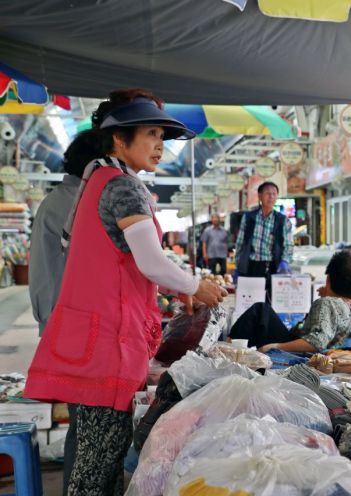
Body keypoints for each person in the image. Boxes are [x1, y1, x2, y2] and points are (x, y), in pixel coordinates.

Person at [23, 89, 227, 495]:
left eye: (161, 137)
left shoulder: (94, 179)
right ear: (120, 138)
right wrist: (195, 286)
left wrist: (175, 287)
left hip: (91, 341)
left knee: (93, 461)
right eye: (151, 134)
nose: (159, 146)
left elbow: (128, 262)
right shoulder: (123, 186)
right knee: (97, 469)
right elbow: (150, 260)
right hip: (107, 347)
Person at [27, 130, 100, 495]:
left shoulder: (62, 198)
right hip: (70, 327)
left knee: (81, 422)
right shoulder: (76, 203)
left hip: (60, 322)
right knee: (86, 426)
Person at [230, 250, 351, 352]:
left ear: (328, 279)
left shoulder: (326, 303)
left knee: (260, 310)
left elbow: (317, 342)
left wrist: (276, 346)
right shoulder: (347, 309)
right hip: (311, 354)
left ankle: (228, 347)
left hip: (295, 356)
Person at [235, 181, 293, 294]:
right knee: (251, 302)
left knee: (271, 304)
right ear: (260, 195)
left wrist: (285, 261)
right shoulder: (248, 218)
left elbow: (289, 245)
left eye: (274, 194)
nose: (271, 197)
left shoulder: (283, 220)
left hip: (274, 268)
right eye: (267, 193)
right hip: (251, 267)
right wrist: (238, 266)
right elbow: (240, 244)